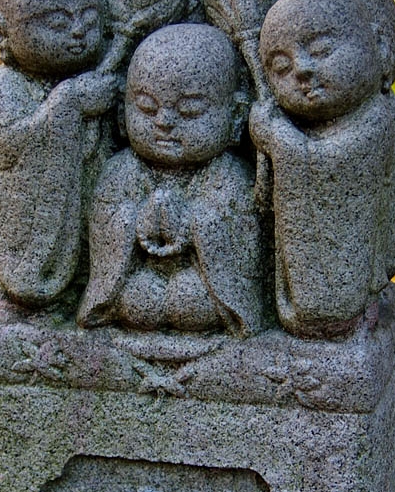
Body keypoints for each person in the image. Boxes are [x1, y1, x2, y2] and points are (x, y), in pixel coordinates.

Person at [77, 23, 263, 335]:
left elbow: (244, 248)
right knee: (140, 300)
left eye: (189, 111)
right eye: (147, 108)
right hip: (138, 283)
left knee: (190, 300)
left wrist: (194, 223)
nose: (164, 121)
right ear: (122, 113)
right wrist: (135, 220)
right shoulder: (121, 171)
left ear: (235, 116)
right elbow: (104, 228)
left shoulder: (229, 175)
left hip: (201, 288)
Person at [250, 0, 395, 337]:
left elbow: (328, 167)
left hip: (346, 276)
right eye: (281, 67)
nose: (302, 70)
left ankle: (334, 314)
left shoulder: (377, 117)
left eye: (322, 50)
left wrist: (276, 136)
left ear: (379, 47)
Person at [0, 0, 119, 313]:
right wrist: (69, 103)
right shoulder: (5, 84)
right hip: (31, 235)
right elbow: (10, 148)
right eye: (58, 23)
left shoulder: (92, 78)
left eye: (89, 22)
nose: (77, 33)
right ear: (2, 32)